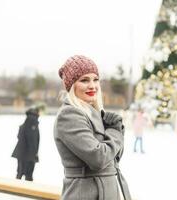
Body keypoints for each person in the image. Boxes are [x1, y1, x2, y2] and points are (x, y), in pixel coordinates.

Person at [54, 55, 131, 200]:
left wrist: (115, 129)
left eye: (95, 79)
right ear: (72, 86)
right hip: (85, 193)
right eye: (84, 80)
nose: (92, 85)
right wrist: (114, 131)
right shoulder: (69, 115)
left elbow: (115, 158)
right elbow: (99, 158)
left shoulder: (94, 113)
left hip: (108, 192)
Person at [11, 108, 40, 181]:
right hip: (29, 155)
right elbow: (33, 140)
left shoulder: (24, 124)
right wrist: (34, 154)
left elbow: (19, 136)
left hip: (21, 153)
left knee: (19, 173)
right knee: (29, 175)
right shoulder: (33, 123)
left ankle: (16, 189)